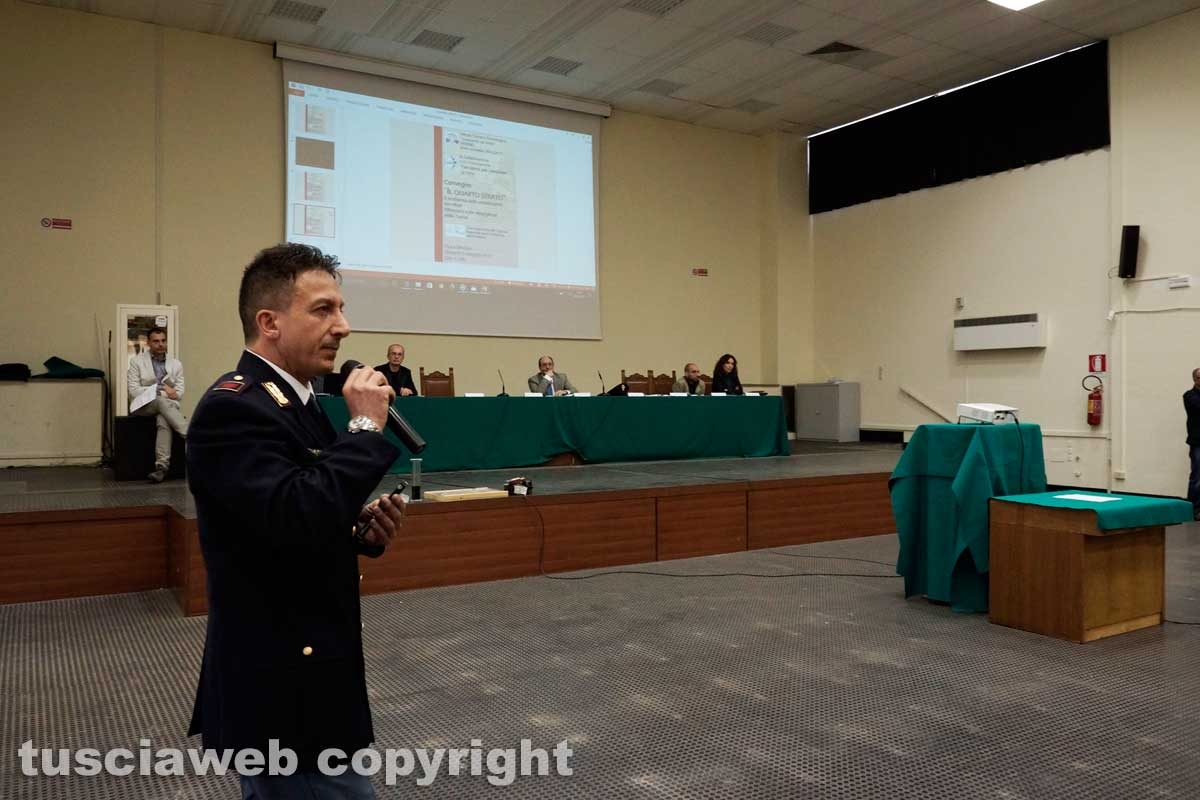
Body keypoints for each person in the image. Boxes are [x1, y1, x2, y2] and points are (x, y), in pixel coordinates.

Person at [186, 243, 405, 799]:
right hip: (282, 682)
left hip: (310, 668)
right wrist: (361, 431)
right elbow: (295, 512)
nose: (344, 327)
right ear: (270, 323)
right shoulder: (234, 406)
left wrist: (358, 530)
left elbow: (291, 515)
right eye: (323, 310)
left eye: (341, 309)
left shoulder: (295, 401)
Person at [127, 326, 188, 482]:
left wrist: (171, 393)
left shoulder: (176, 364)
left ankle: (161, 467)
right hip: (143, 405)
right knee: (162, 401)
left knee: (163, 420)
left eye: (163, 341)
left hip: (166, 406)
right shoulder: (136, 362)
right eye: (156, 341)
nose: (160, 344)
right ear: (148, 343)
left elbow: (179, 393)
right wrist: (160, 389)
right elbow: (133, 390)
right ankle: (190, 435)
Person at [1185, 367, 1200, 520]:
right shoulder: (1189, 396)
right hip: (1198, 442)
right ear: (1195, 380)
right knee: (1197, 477)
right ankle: (1193, 509)